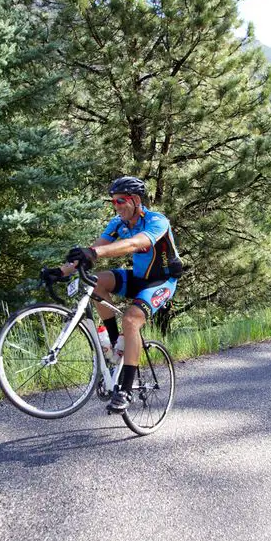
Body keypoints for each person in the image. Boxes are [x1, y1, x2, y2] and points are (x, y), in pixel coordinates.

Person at [58, 176, 182, 414]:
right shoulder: (118, 223)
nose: (116, 206)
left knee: (131, 319)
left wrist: (94, 252)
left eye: (121, 201)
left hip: (161, 281)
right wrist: (61, 270)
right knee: (95, 283)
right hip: (137, 278)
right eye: (113, 202)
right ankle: (116, 343)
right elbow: (94, 249)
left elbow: (135, 244)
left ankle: (124, 390)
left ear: (135, 200)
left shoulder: (157, 221)